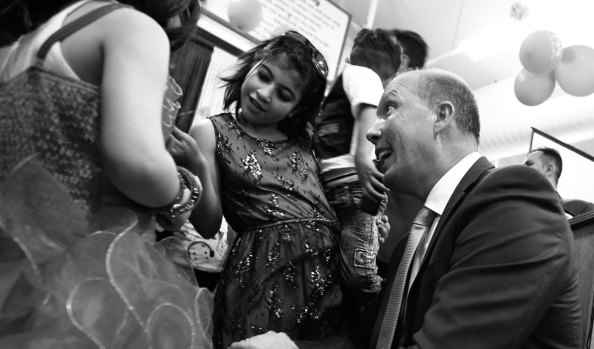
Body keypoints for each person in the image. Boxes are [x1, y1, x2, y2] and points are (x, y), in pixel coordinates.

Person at [0, 0, 208, 347]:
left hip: (18, 266)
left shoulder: (24, 44)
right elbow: (138, 162)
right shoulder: (133, 27)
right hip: (84, 274)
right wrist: (182, 192)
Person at [359, 68, 582, 348]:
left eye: (389, 108)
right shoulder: (409, 246)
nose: (371, 131)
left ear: (441, 116)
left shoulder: (512, 200)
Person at [168, 31, 352, 349]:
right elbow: (208, 224)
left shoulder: (306, 141)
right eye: (263, 76)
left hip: (327, 285)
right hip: (262, 280)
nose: (265, 94)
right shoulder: (212, 131)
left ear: (296, 108)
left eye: (283, 94)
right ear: (252, 65)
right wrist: (196, 162)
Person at [309, 28, 400, 305]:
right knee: (355, 249)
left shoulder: (359, 74)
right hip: (347, 185)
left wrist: (362, 154)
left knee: (360, 267)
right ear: (391, 78)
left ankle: (380, 299)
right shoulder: (360, 80)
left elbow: (367, 111)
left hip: (353, 182)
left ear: (349, 57)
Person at [377, 28, 429, 279]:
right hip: (372, 245)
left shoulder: (415, 120)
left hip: (385, 257)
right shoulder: (383, 110)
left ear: (404, 62)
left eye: (385, 54)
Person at [523, 146, 594, 218]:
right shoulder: (518, 212)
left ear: (549, 170)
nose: (520, 168)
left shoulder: (580, 209)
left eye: (529, 164)